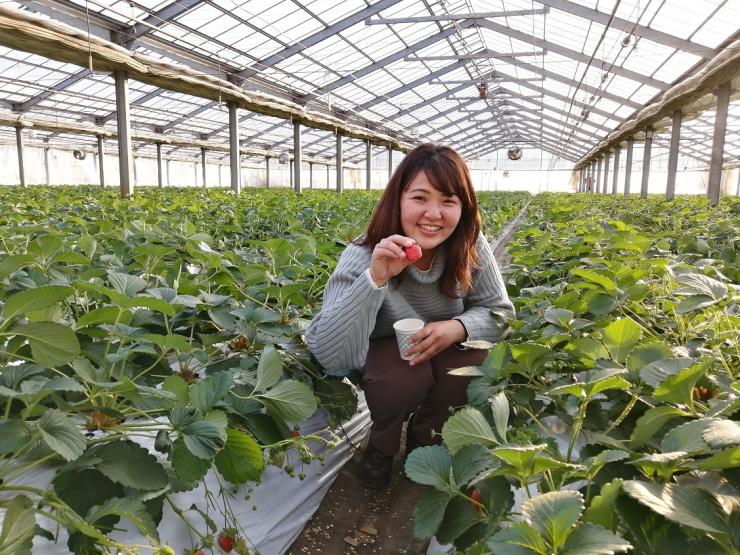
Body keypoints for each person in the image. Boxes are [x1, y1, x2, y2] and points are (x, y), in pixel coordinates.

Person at [305, 143, 514, 489]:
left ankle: (426, 435)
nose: (434, 213)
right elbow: (329, 353)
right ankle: (382, 444)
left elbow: (500, 313)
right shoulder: (365, 253)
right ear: (398, 200)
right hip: (388, 348)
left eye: (448, 201)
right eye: (420, 198)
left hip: (448, 343)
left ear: (464, 207)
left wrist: (457, 327)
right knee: (399, 381)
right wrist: (375, 278)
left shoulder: (470, 246)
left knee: (472, 366)